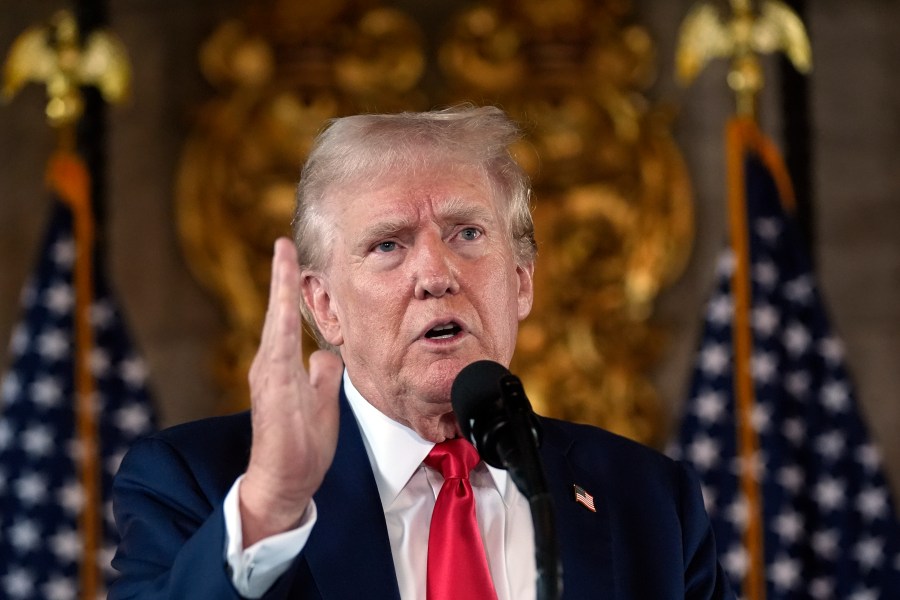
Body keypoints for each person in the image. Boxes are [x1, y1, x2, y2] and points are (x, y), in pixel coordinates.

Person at [110, 105, 733, 599]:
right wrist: (268, 510)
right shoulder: (198, 483)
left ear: (521, 280)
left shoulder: (647, 499)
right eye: (388, 245)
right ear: (324, 306)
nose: (436, 273)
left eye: (467, 233)